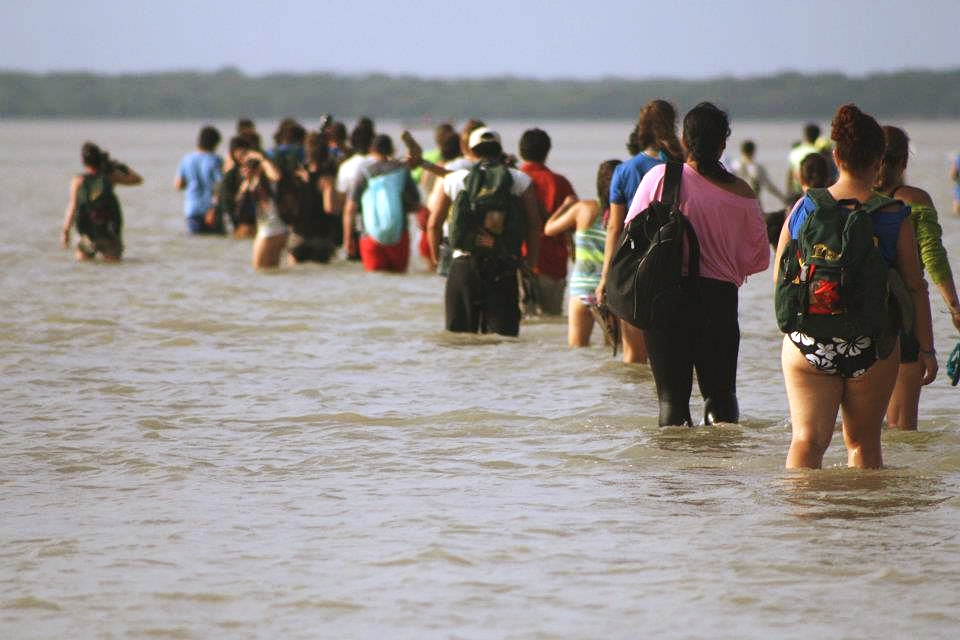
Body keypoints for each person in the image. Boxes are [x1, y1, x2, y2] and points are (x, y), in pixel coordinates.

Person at [775, 104, 937, 469]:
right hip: (870, 345)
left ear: (836, 155)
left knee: (806, 441)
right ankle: (861, 522)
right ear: (879, 161)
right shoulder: (895, 216)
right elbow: (914, 288)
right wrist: (926, 349)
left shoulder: (805, 207)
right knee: (863, 445)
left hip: (808, 340)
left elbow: (780, 277)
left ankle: (799, 523)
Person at [626, 102, 768, 427]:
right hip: (719, 301)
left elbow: (631, 236)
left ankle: (676, 476)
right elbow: (758, 259)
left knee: (671, 402)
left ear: (684, 141)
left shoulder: (660, 177)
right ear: (723, 144)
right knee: (721, 397)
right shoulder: (743, 193)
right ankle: (719, 473)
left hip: (666, 300)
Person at [876, 125, 960, 429]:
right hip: (899, 319)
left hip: (850, 321)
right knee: (901, 431)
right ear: (903, 162)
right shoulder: (914, 200)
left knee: (857, 431)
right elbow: (932, 259)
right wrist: (954, 306)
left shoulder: (847, 199)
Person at [426, 127, 542, 336]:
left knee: (459, 340)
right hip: (503, 264)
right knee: (502, 338)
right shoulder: (519, 179)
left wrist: (436, 259)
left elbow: (434, 224)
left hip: (463, 265)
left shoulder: (454, 180)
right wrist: (530, 263)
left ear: (470, 152)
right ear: (500, 150)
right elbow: (534, 225)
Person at [597, 99, 684, 363]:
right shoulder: (686, 166)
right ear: (673, 124)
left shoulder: (624, 171)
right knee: (674, 356)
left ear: (641, 129)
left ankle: (635, 404)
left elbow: (614, 227)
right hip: (677, 264)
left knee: (633, 358)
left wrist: (605, 278)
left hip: (635, 267)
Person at [544, 159, 621, 347]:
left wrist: (564, 206)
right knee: (614, 351)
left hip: (581, 289)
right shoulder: (623, 213)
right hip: (609, 289)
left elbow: (549, 229)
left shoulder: (582, 208)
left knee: (577, 350)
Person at [519, 128, 577, 316]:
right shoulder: (559, 183)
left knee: (522, 322)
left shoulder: (513, 179)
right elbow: (575, 224)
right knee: (551, 319)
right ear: (547, 151)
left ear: (521, 151)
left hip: (520, 260)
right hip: (553, 264)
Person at [344, 133, 421, 272]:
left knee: (375, 283)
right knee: (399, 280)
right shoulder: (402, 170)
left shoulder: (364, 172)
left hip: (369, 237)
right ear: (392, 149)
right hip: (399, 235)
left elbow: (350, 209)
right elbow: (416, 204)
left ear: (372, 150)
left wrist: (348, 239)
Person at [61, 142, 143, 261]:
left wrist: (65, 231)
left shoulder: (78, 181)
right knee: (112, 267)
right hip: (107, 232)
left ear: (83, 161)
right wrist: (119, 166)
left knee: (83, 271)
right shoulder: (110, 177)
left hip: (86, 233)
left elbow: (72, 207)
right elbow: (137, 180)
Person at [287, 130, 339, 264]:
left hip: (299, 234)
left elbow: (289, 204)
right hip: (321, 236)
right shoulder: (327, 178)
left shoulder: (298, 174)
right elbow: (330, 208)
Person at [239, 152, 288, 269]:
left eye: (246, 168)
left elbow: (276, 175)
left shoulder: (263, 182)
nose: (243, 171)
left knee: (259, 270)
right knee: (273, 271)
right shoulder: (251, 183)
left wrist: (261, 159)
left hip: (268, 232)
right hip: (278, 230)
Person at [335, 119, 376, 259]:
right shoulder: (380, 163)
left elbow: (342, 203)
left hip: (355, 225)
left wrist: (346, 239)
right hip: (378, 223)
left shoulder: (346, 166)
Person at [175, 125, 224, 234]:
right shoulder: (215, 160)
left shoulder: (186, 159)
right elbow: (220, 186)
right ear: (215, 143)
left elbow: (178, 185)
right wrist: (214, 209)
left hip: (191, 209)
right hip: (211, 210)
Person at [731, 139, 789, 206]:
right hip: (753, 203)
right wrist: (783, 198)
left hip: (736, 201)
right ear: (753, 151)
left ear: (741, 151)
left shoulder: (734, 165)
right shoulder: (757, 167)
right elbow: (769, 186)